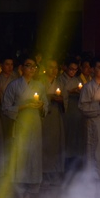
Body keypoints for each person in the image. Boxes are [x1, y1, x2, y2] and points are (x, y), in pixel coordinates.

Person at [1, 56, 49, 198]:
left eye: (34, 66)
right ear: (21, 68)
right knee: (20, 160)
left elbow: (45, 106)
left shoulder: (39, 86)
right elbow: (5, 107)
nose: (32, 69)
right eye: (28, 65)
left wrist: (41, 106)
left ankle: (29, 196)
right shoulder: (14, 85)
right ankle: (20, 197)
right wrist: (24, 106)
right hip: (20, 125)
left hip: (35, 125)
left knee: (34, 159)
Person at [41, 58, 66, 187]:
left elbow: (66, 99)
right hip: (44, 118)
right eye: (51, 67)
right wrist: (50, 97)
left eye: (56, 67)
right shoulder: (40, 82)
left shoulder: (60, 82)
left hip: (56, 116)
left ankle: (54, 173)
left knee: (56, 145)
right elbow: (37, 98)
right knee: (45, 145)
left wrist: (62, 100)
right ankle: (43, 174)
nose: (54, 70)